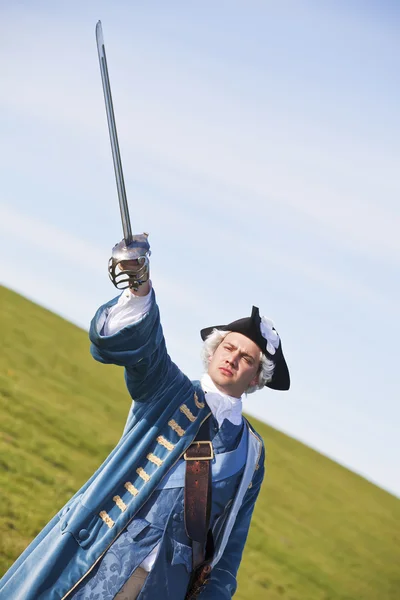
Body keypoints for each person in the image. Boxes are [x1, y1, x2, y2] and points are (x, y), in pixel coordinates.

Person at [0, 240, 290, 600]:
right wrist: (139, 285)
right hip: (100, 559)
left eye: (247, 358)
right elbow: (147, 349)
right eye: (228, 347)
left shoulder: (252, 453)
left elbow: (230, 546)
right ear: (213, 352)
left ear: (256, 378)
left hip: (164, 588)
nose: (233, 357)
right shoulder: (168, 389)